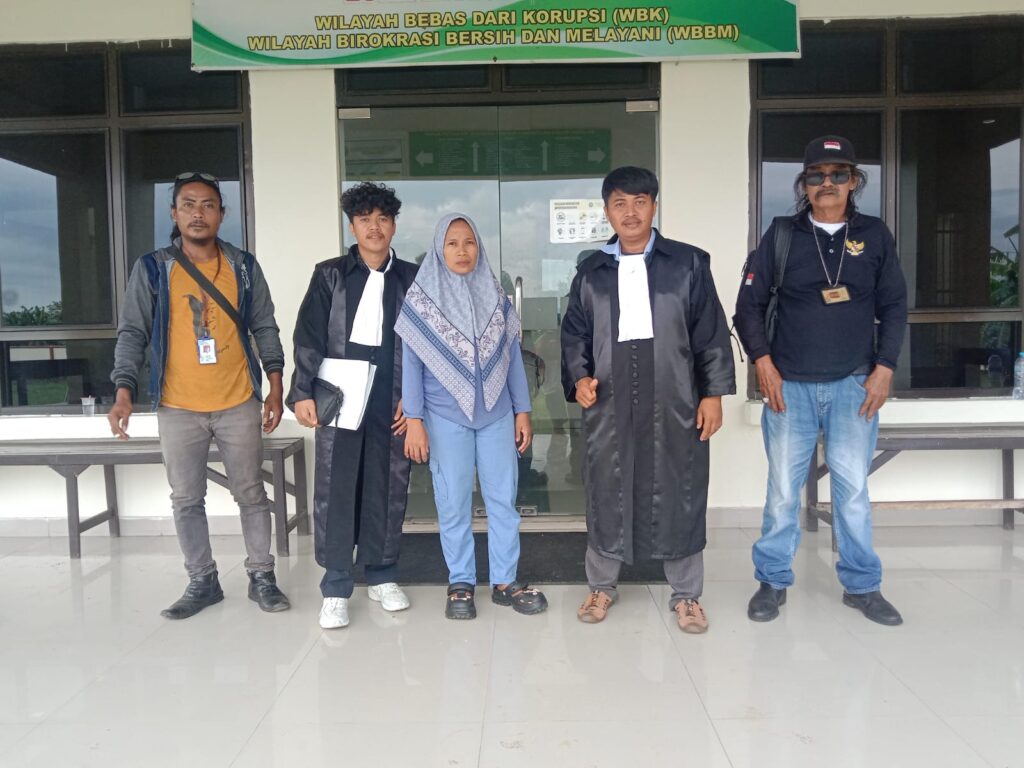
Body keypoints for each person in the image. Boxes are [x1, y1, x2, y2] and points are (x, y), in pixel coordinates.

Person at [734, 135, 908, 626]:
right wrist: (763, 363)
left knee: (852, 492)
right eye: (816, 175)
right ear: (804, 184)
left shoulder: (874, 235)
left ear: (854, 181)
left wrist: (885, 367)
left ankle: (862, 585)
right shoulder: (782, 234)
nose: (827, 183)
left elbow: (894, 304)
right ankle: (772, 581)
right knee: (783, 493)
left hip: (854, 386)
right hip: (789, 388)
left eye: (838, 174)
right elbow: (748, 307)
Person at [561, 166, 735, 633]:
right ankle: (601, 586)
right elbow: (574, 334)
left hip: (676, 400)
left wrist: (713, 394)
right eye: (620, 203)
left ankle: (687, 595)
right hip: (609, 404)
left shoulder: (688, 264)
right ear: (607, 212)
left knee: (681, 488)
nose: (631, 212)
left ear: (654, 206)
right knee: (606, 488)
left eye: (640, 202)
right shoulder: (591, 272)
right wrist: (580, 377)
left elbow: (710, 333)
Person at [108, 171, 290, 620]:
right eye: (188, 205)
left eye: (207, 205)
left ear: (221, 214)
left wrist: (275, 385)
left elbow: (264, 325)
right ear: (174, 213)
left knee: (251, 492)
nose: (197, 213)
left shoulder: (243, 266)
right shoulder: (153, 268)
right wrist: (124, 391)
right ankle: (202, 580)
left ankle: (262, 576)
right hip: (177, 405)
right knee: (186, 499)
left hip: (238, 401)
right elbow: (132, 332)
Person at [397, 213, 547, 620]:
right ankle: (461, 582)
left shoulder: (494, 295)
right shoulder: (421, 301)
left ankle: (505, 581)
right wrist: (414, 420)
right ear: (439, 249)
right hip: (445, 417)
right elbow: (412, 363)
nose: (462, 251)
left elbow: (512, 358)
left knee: (503, 502)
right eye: (452, 243)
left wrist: (523, 410)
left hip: (497, 414)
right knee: (453, 503)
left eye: (469, 242)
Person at [287, 182, 418, 630]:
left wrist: (416, 400)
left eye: (383, 219)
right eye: (365, 220)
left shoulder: (412, 278)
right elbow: (308, 335)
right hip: (339, 393)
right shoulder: (330, 274)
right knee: (337, 484)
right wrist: (303, 392)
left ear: (394, 225)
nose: (374, 227)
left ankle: (382, 574)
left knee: (388, 482)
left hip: (391, 393)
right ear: (352, 226)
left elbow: (426, 345)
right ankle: (337, 586)